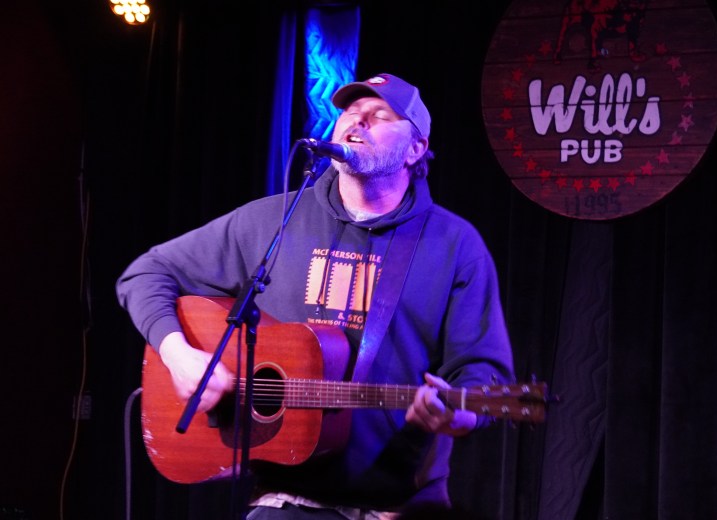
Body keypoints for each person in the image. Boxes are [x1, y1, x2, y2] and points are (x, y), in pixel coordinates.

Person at [116, 72, 516, 519]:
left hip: (396, 506)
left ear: (415, 149)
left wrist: (460, 414)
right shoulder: (274, 220)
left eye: (380, 115)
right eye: (350, 111)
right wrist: (179, 356)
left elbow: (484, 372)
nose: (358, 121)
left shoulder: (454, 245)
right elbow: (146, 274)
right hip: (285, 497)